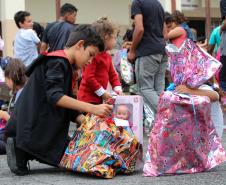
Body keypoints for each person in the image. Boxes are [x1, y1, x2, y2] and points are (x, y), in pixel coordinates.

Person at [5, 25, 113, 176]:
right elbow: (55, 96)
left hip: (35, 127)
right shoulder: (58, 62)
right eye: (90, 55)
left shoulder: (62, 63)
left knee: (76, 152)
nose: (90, 61)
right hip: (32, 128)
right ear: (80, 45)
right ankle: (20, 149)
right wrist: (92, 108)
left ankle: (24, 150)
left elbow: (66, 103)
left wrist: (86, 122)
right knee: (75, 158)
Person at [127, 0, 167, 116]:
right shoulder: (158, 4)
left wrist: (132, 50)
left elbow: (139, 29)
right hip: (162, 51)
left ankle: (167, 115)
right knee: (159, 90)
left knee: (145, 89)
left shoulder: (138, 2)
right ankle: (162, 126)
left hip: (147, 52)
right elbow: (165, 34)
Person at [78, 17, 122, 104]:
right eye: (115, 38)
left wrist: (118, 89)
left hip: (98, 98)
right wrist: (102, 93)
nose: (115, 41)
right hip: (87, 99)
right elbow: (89, 77)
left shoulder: (107, 56)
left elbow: (113, 75)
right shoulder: (94, 56)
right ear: (106, 37)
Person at [0, 58, 26, 154]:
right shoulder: (23, 91)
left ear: (10, 78)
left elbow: (19, 125)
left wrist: (5, 116)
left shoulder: (22, 95)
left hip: (20, 141)